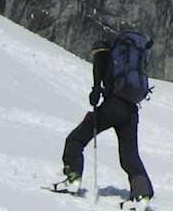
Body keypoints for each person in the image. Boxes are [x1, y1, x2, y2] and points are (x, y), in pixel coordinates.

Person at [59, 36, 154, 206]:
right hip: (131, 110)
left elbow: (97, 80)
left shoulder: (103, 54)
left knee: (76, 138)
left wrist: (96, 92)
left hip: (113, 106)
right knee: (129, 156)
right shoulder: (128, 60)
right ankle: (142, 194)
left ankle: (73, 176)